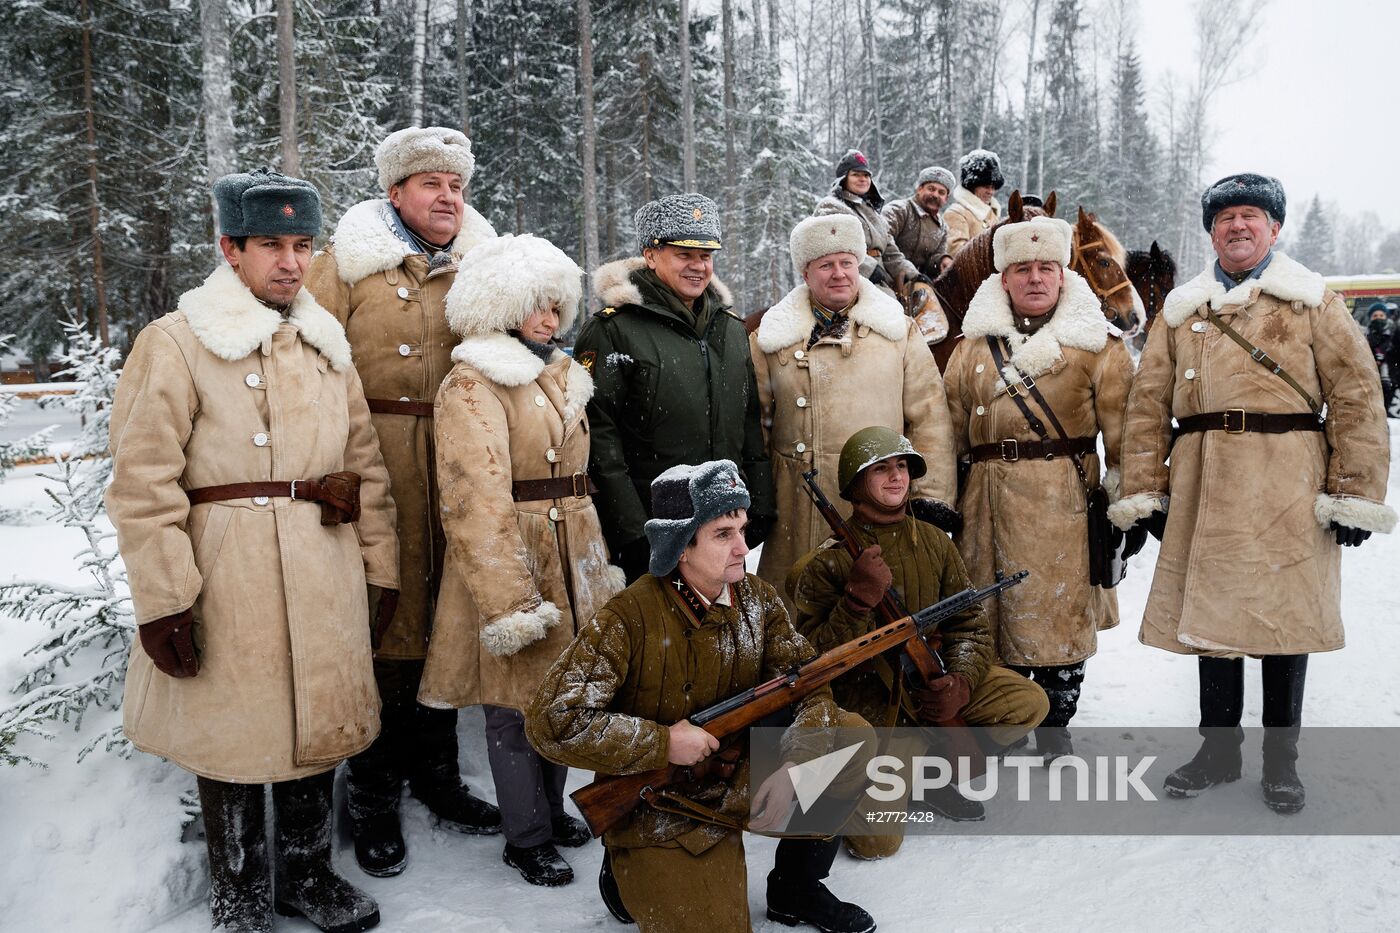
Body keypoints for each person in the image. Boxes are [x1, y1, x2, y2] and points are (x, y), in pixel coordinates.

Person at [109, 168, 398, 932]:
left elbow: (364, 464)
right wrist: (165, 597)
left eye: (303, 244)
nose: (291, 262)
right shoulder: (174, 343)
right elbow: (143, 483)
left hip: (324, 562)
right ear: (229, 248)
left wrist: (382, 566)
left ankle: (308, 875)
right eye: (271, 243)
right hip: (226, 571)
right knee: (235, 733)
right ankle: (238, 892)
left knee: (319, 722)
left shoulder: (327, 347)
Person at [1110, 173, 1395, 813]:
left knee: (1284, 622)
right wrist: (1145, 490)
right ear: (1211, 230)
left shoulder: (1314, 301)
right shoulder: (1182, 309)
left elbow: (1356, 398)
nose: (1238, 226)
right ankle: (1218, 751)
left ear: (1275, 228)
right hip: (1203, 477)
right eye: (1225, 217)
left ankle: (1281, 762)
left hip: (1289, 479)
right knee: (1213, 625)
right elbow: (1146, 405)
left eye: (1251, 216)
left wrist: (1353, 492)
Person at [525, 461, 877, 933]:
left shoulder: (758, 599)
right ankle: (628, 870)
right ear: (680, 545)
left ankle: (796, 887)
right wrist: (661, 743)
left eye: (743, 529)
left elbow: (810, 684)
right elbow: (552, 721)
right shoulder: (628, 618)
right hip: (662, 803)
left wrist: (798, 762)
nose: (742, 547)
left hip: (731, 775)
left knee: (849, 737)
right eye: (722, 533)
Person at [304, 126, 501, 875]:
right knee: (384, 620)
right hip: (373, 462)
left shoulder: (485, 268)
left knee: (447, 620)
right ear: (395, 194)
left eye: (457, 186)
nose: (448, 198)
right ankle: (374, 796)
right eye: (431, 185)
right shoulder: (342, 269)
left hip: (458, 461)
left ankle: (439, 778)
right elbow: (309, 363)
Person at [414, 233, 626, 887]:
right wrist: (510, 599)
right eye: (535, 303)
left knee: (562, 692)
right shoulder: (472, 383)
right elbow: (475, 498)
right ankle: (524, 834)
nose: (550, 317)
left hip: (574, 551)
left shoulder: (561, 371)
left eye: (556, 303)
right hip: (515, 553)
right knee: (512, 706)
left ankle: (550, 808)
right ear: (501, 305)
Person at [788, 426, 1048, 843]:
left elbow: (970, 626)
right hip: (878, 711)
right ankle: (884, 778)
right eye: (881, 469)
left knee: (1027, 703)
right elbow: (810, 663)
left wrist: (959, 682)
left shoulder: (935, 543)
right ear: (856, 484)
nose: (896, 477)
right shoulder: (825, 564)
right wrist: (855, 601)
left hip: (933, 684)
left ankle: (931, 776)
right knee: (876, 841)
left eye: (903, 466)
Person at [943, 216, 1137, 759]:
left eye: (1045, 268)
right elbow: (945, 429)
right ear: (1003, 279)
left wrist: (1130, 505)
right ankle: (1004, 714)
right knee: (992, 613)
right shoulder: (971, 348)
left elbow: (1128, 431)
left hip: (1064, 500)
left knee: (1058, 613)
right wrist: (939, 496)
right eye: (1022, 269)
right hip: (984, 498)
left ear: (1063, 273)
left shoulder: (1099, 344)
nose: (1034, 278)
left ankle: (1056, 721)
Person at [750, 214, 959, 603]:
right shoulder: (771, 339)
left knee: (875, 622)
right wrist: (758, 499)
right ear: (806, 273)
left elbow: (930, 418)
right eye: (825, 265)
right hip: (796, 509)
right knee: (797, 620)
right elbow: (755, 427)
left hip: (879, 510)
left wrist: (930, 499)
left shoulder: (898, 332)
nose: (839, 274)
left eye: (847, 262)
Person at [578, 193, 775, 583]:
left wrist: (761, 505)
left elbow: (749, 421)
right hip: (655, 531)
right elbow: (599, 438)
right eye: (684, 254)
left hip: (724, 525)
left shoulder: (732, 330)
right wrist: (634, 531)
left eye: (705, 255)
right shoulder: (614, 330)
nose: (698, 266)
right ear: (651, 255)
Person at [815, 148, 923, 295]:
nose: (863, 179)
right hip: (847, 279)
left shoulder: (874, 214)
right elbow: (836, 246)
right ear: (843, 179)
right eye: (856, 175)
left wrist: (912, 273)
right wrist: (870, 269)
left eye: (866, 175)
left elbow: (890, 252)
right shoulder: (830, 206)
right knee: (888, 309)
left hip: (883, 278)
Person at [881, 165, 956, 278]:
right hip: (885, 276)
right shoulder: (898, 210)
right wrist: (907, 270)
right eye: (931, 189)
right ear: (920, 188)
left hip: (918, 282)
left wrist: (941, 261)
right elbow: (883, 240)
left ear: (946, 199)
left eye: (941, 192)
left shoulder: (942, 227)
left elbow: (932, 261)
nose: (935, 195)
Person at [943, 149, 1005, 256]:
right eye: (986, 186)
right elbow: (957, 252)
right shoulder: (956, 213)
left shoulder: (993, 214)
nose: (990, 192)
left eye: (993, 187)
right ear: (973, 186)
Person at [1365, 304, 1396, 412]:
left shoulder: (1394, 332)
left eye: (1381, 315)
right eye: (1375, 315)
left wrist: (1385, 356)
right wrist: (1373, 357)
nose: (1378, 317)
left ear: (1386, 316)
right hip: (1370, 377)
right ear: (1370, 317)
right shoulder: (1365, 334)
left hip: (1389, 377)